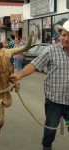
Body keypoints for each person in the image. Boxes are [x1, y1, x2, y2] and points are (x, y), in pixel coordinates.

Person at [10, 20, 69, 150]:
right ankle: (47, 147)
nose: (65, 38)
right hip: (54, 101)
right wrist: (18, 75)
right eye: (63, 35)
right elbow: (34, 65)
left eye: (68, 35)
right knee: (50, 130)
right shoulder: (51, 50)